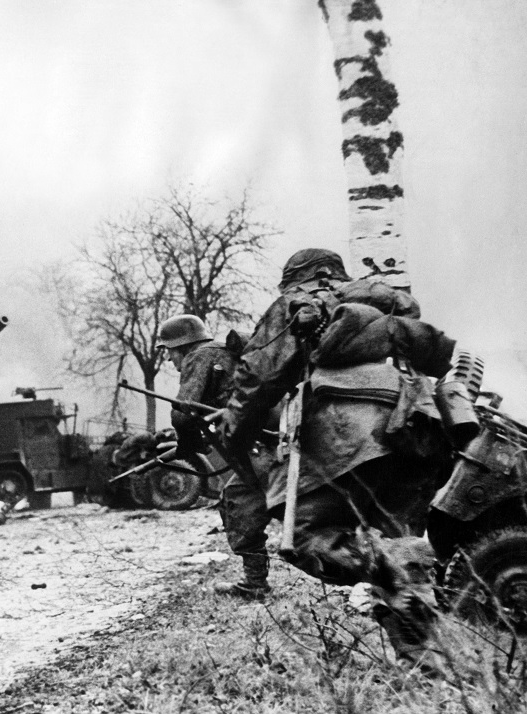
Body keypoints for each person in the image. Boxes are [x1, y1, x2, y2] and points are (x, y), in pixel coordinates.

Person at [216, 248, 454, 669]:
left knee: (305, 535)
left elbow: (259, 377)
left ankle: (395, 568)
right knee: (395, 538)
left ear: (299, 278)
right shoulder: (385, 304)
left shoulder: (298, 303)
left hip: (349, 434)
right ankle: (423, 661)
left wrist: (232, 434)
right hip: (417, 429)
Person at [156, 314, 271, 601]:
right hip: (267, 439)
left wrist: (187, 443)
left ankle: (256, 583)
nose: (169, 359)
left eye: (169, 352)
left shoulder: (199, 356)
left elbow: (182, 413)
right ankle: (255, 582)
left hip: (261, 445)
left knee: (237, 501)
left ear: (181, 346)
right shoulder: (226, 354)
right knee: (238, 497)